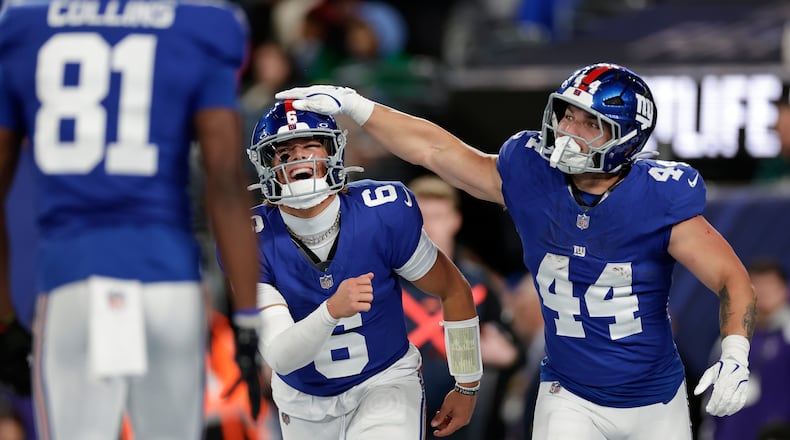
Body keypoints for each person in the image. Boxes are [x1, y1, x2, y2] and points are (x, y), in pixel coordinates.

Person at [275, 62, 758, 439]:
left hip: (655, 397)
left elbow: (731, 279)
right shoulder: (532, 176)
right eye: (567, 113)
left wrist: (735, 351)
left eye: (587, 122)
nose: (568, 128)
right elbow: (437, 151)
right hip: (569, 391)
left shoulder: (658, 197)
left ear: (624, 136)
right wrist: (359, 107)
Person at [0, 1, 263, 438]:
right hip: (169, 282)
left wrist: (5, 318)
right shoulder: (202, 23)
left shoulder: (24, 23)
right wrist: (248, 319)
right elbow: (225, 180)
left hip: (73, 281)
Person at [244, 100, 482, 439]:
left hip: (385, 383)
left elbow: (453, 289)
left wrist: (467, 383)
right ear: (267, 167)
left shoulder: (381, 212)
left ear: (333, 153)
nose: (298, 158)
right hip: (303, 401)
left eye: (310, 147)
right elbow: (282, 356)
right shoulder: (250, 238)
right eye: (284, 154)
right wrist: (331, 311)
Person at [403, 174, 519, 440]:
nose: (428, 226)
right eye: (421, 218)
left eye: (438, 216)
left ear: (455, 220)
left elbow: (511, 348)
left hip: (461, 419)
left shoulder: (478, 284)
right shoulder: (384, 283)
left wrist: (507, 355)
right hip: (399, 413)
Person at [700, 259, 790, 440]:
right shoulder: (728, 341)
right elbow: (711, 402)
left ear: (784, 290)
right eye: (758, 285)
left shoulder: (786, 334)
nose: (764, 292)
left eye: (770, 285)